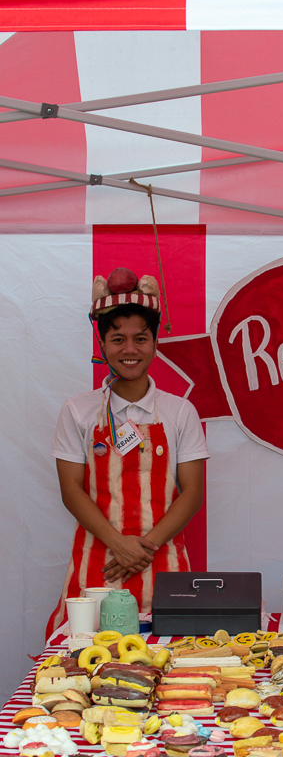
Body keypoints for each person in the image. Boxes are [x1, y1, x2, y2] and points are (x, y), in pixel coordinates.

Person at [47, 267, 209, 638]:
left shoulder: (179, 411)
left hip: (164, 564)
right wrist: (118, 544)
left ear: (155, 343)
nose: (130, 350)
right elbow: (71, 489)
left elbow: (193, 492)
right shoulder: (78, 410)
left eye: (141, 338)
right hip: (96, 564)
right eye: (118, 339)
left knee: (170, 671)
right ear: (102, 345)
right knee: (83, 666)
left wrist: (143, 548)